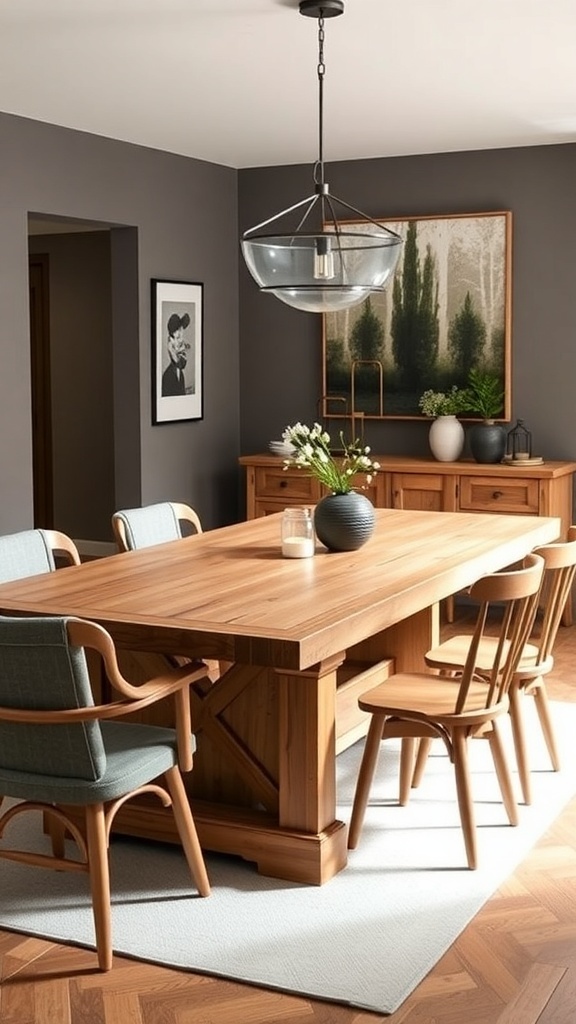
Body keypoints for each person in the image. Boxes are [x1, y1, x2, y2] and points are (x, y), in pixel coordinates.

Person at [161, 312, 190, 396]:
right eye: (178, 338)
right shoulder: (167, 377)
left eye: (182, 337)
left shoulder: (181, 375)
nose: (181, 341)